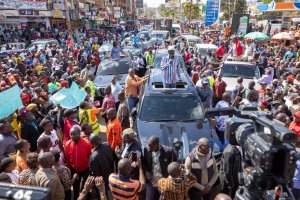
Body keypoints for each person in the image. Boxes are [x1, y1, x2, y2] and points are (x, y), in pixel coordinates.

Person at [64, 125, 92, 199]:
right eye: (71, 134)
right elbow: (67, 158)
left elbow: (90, 155)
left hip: (85, 169)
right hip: (74, 170)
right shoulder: (67, 144)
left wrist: (89, 166)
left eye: (74, 134)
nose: (72, 136)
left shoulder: (87, 143)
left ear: (79, 134)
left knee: (87, 185)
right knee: (76, 187)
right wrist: (69, 169)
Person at [89, 133, 114, 199]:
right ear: (100, 139)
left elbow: (95, 173)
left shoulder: (93, 157)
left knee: (102, 194)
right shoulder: (107, 145)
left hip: (101, 181)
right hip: (110, 175)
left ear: (91, 143)